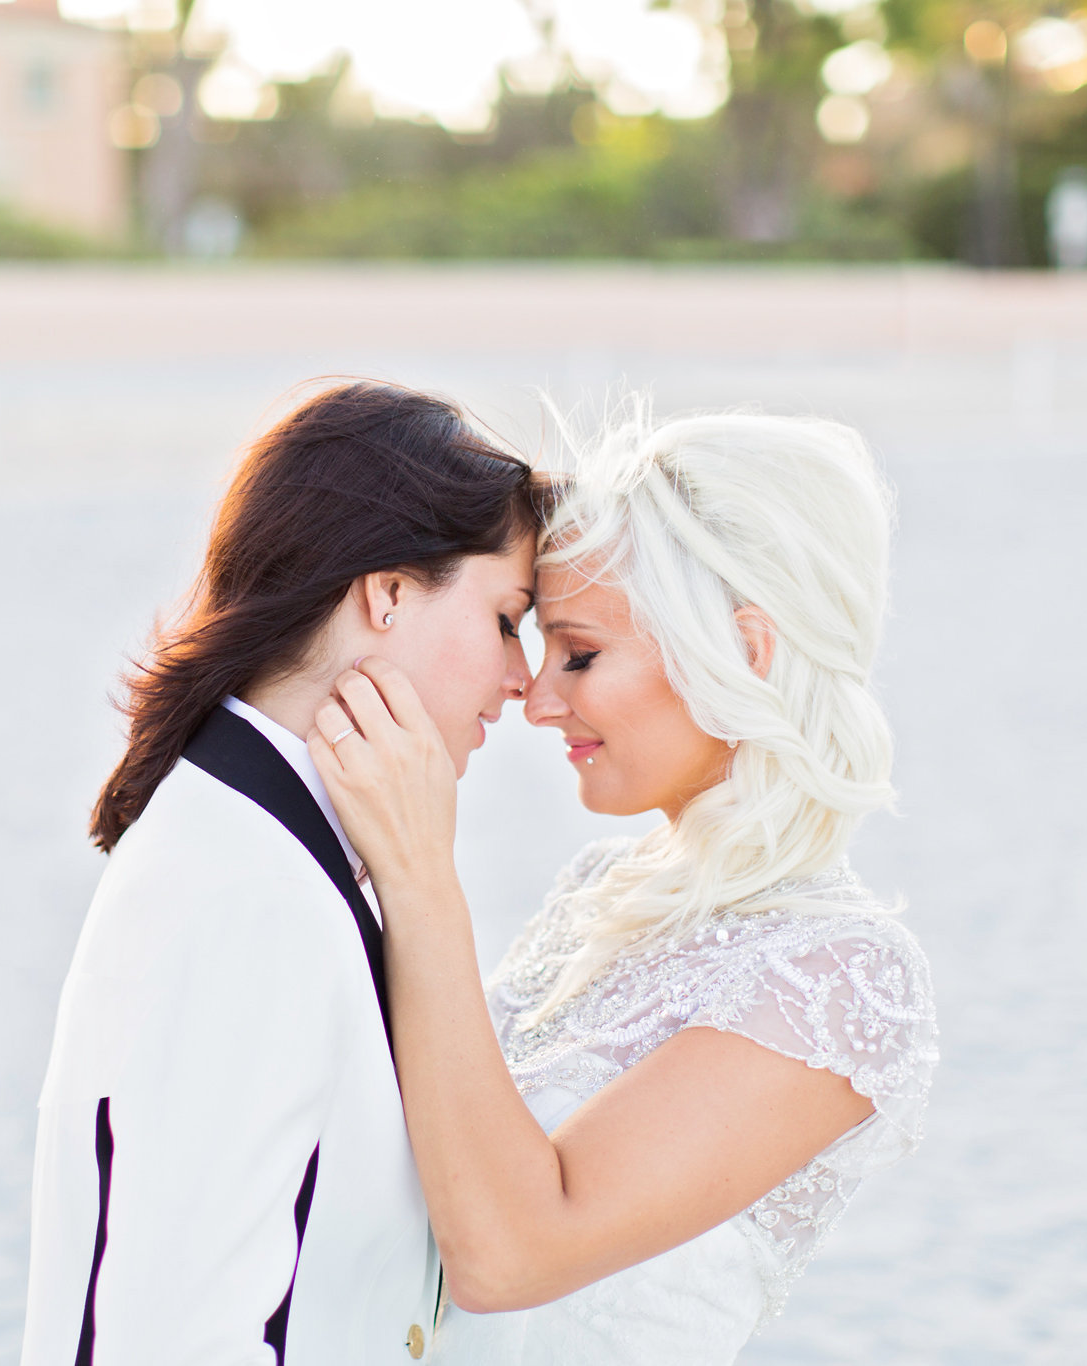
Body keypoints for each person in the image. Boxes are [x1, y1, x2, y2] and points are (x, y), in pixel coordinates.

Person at [310, 409, 939, 1364]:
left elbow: (511, 1256)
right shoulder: (602, 893)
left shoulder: (837, 981)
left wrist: (420, 877)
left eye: (582, 654)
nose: (537, 697)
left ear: (745, 653)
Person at [22, 381, 541, 1364]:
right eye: (506, 617)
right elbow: (170, 1336)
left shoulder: (266, 846)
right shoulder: (251, 891)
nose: (521, 678)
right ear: (385, 593)